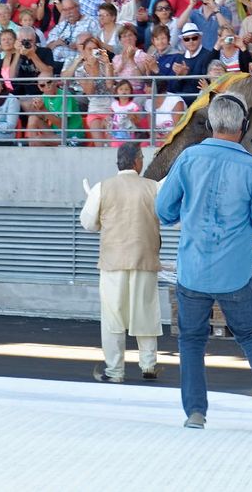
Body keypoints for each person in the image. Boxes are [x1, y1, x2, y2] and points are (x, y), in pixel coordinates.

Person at [155, 92, 252, 434]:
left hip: (193, 269)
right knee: (251, 336)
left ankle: (195, 412)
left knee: (191, 341)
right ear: (243, 127)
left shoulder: (189, 158)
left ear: (210, 124)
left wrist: (184, 214)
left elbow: (163, 210)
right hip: (236, 273)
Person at [81, 142, 162, 383]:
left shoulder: (101, 187)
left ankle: (115, 371)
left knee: (113, 317)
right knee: (145, 311)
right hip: (145, 259)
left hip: (112, 262)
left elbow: (88, 224)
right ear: (137, 161)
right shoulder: (154, 187)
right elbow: (166, 216)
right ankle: (148, 365)